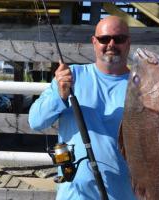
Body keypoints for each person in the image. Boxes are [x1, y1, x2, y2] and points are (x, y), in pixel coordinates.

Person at [28, 16, 136, 200]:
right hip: (75, 194)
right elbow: (36, 121)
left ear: (128, 43)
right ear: (94, 42)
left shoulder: (143, 85)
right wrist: (60, 94)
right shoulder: (70, 77)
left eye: (118, 39)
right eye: (104, 39)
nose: (111, 44)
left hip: (128, 193)